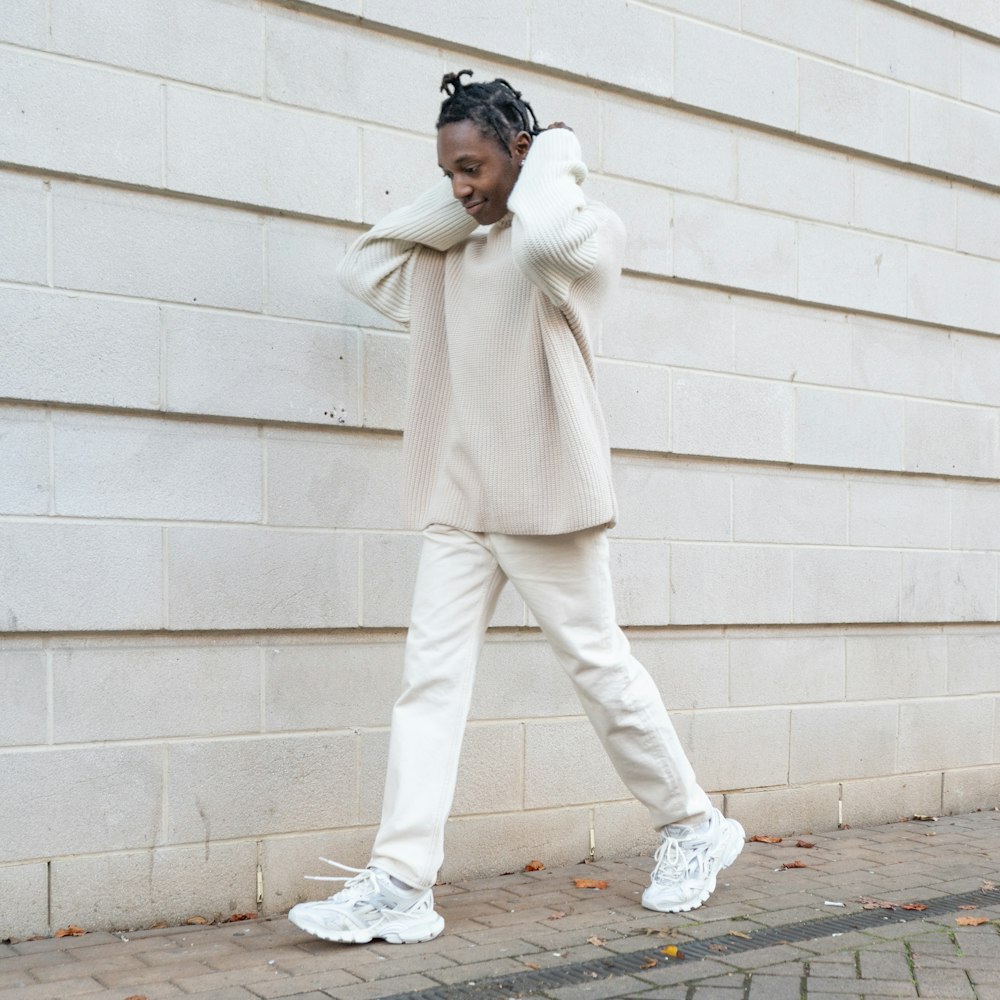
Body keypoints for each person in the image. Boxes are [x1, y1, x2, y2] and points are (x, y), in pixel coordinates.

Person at [288, 70, 744, 946]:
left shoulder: (580, 231)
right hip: (462, 498)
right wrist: (467, 198)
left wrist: (555, 151)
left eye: (475, 168)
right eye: (449, 172)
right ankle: (401, 881)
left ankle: (693, 827)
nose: (462, 188)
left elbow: (538, 240)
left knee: (599, 670)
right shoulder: (450, 252)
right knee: (428, 687)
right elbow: (363, 264)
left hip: (545, 498)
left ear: (523, 154)